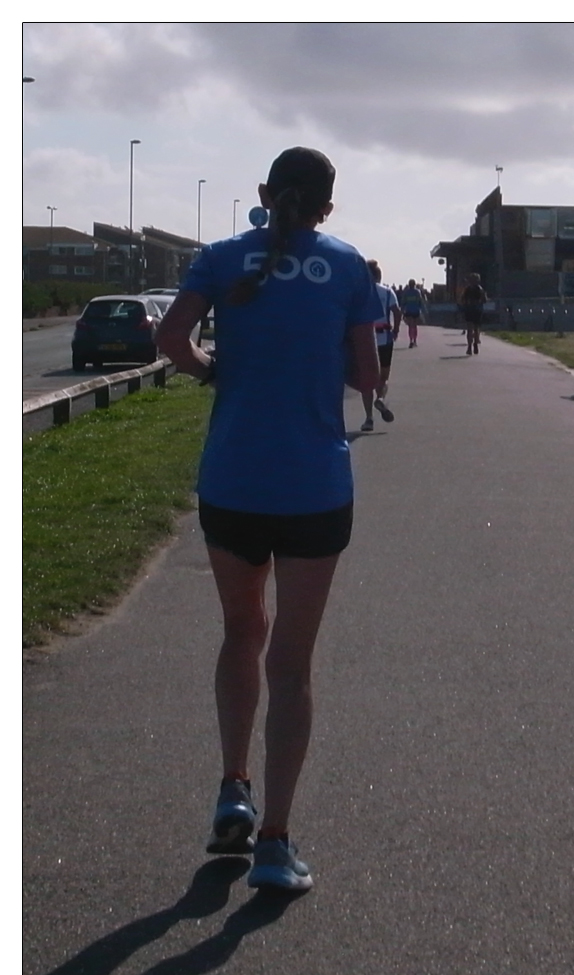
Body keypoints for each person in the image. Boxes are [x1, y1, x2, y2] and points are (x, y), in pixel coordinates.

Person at [154, 147, 382, 893]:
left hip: (233, 480)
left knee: (240, 633)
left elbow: (170, 342)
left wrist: (217, 368)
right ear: (327, 207)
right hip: (315, 483)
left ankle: (231, 787)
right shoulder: (349, 267)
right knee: (292, 662)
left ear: (263, 195)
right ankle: (276, 844)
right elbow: (365, 376)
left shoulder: (220, 257)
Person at [361, 259, 401, 432]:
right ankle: (381, 399)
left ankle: (369, 418)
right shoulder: (387, 292)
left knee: (366, 380)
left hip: (366, 339)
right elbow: (397, 312)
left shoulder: (361, 293)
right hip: (385, 338)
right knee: (383, 377)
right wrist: (396, 330)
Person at [459, 273, 487, 355]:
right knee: (476, 328)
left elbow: (462, 299)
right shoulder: (480, 289)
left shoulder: (467, 289)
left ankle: (469, 347)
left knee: (469, 329)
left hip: (469, 310)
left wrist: (465, 304)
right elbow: (484, 300)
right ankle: (475, 343)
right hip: (478, 310)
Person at [398, 279, 424, 347]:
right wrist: (421, 310)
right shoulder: (417, 292)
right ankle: (414, 340)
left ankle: (411, 340)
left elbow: (403, 302)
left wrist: (402, 311)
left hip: (409, 311)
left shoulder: (406, 292)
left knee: (410, 326)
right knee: (415, 326)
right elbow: (420, 302)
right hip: (415, 311)